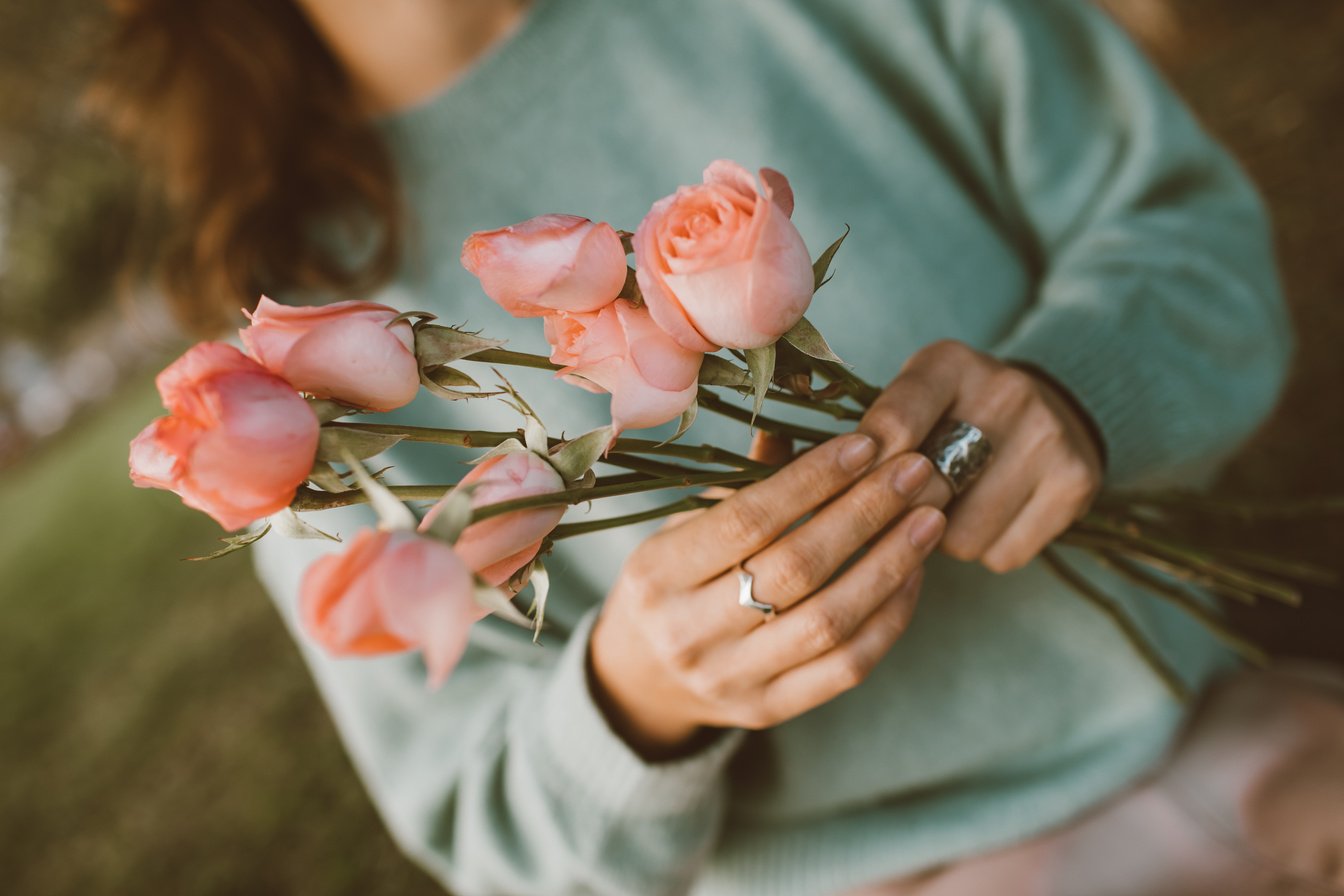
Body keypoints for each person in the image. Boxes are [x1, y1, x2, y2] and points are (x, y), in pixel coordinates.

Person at [95, 0, 1344, 893]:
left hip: (1239, 742)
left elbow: (1181, 226)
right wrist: (640, 696)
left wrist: (1081, 390)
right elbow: (482, 822)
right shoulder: (284, 364)